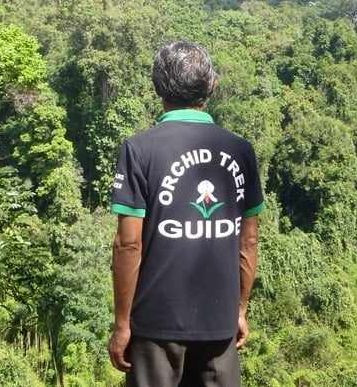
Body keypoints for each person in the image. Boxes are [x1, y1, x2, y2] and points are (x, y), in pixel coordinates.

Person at [108, 41, 265, 386]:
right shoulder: (240, 150)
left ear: (157, 87)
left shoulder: (139, 149)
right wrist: (239, 310)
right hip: (218, 323)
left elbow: (128, 245)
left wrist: (122, 325)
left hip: (155, 325)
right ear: (212, 86)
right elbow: (249, 241)